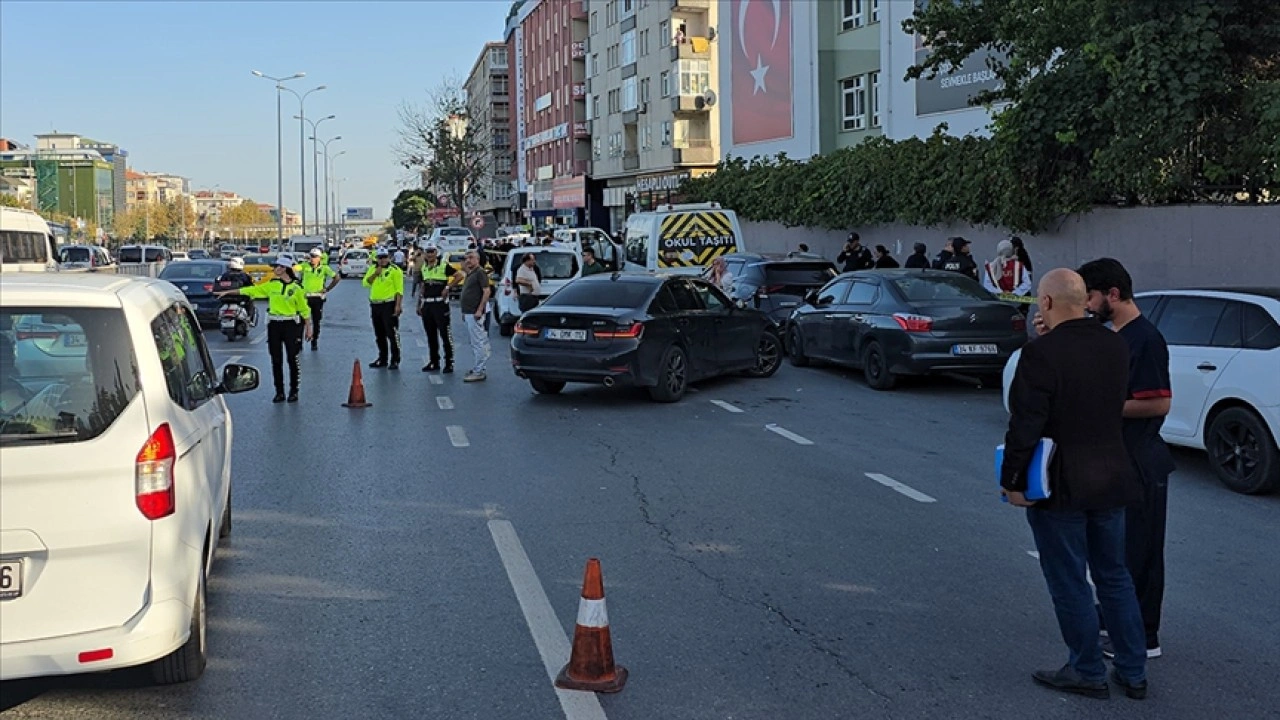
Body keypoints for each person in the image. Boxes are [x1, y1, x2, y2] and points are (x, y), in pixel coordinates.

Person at [1002, 268, 1148, 701]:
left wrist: (1012, 481)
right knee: (1115, 576)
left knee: (1068, 579)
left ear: (1044, 304)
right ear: (1085, 300)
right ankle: (1133, 670)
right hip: (1112, 476)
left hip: (1060, 482)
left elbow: (1025, 425)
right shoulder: (1116, 345)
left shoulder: (1041, 354)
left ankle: (1086, 669)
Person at [1077, 258, 1174, 661]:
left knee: (1141, 551)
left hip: (1141, 461)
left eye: (1092, 298)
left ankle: (1144, 636)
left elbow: (1159, 403)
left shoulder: (1145, 339)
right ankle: (1117, 617)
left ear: (1112, 295)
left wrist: (1105, 406)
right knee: (1117, 551)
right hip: (1119, 459)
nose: (1087, 306)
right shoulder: (1118, 334)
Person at [215, 258, 311, 403]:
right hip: (274, 325)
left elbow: (304, 309)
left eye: (276, 267)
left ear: (284, 268)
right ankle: (279, 392)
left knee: (292, 359)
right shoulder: (272, 285)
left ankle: (294, 391)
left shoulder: (297, 288)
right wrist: (229, 292)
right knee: (276, 360)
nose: (274, 270)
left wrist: (309, 328)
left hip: (291, 325)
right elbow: (252, 290)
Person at [363, 248, 404, 370]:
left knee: (392, 333)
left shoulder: (395, 270)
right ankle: (382, 358)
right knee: (379, 334)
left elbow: (399, 290)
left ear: (389, 257)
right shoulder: (372, 269)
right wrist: (375, 273)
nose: (382, 260)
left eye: (385, 257)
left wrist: (398, 305)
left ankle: (395, 359)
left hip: (389, 304)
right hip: (375, 304)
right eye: (380, 258)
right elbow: (366, 283)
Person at [417, 245, 456, 373]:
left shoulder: (443, 265)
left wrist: (448, 288)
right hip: (427, 305)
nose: (430, 254)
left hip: (440, 304)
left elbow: (460, 275)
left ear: (436, 252)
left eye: (432, 252)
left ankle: (449, 362)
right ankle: (434, 361)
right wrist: (419, 304)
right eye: (427, 252)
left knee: (445, 334)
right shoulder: (424, 267)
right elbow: (422, 287)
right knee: (431, 335)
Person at [458, 249, 492, 382]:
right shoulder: (470, 273)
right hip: (468, 312)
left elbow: (486, 291)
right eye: (466, 258)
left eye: (471, 257)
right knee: (476, 342)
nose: (468, 260)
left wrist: (479, 309)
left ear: (477, 259)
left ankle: (479, 371)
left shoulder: (480, 272)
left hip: (475, 313)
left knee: (478, 342)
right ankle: (479, 368)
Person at [299, 248, 340, 351]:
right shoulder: (304, 266)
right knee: (301, 321)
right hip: (305, 297)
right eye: (311, 256)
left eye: (314, 257)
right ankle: (299, 342)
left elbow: (337, 277)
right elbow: (293, 268)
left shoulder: (324, 268)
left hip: (317, 297)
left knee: (316, 321)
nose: (312, 259)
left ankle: (314, 341)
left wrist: (327, 289)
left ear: (319, 258)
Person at [215, 257, 258, 326]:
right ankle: (250, 318)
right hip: (240, 297)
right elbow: (251, 286)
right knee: (251, 301)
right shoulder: (244, 275)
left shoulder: (225, 275)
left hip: (225, 298)